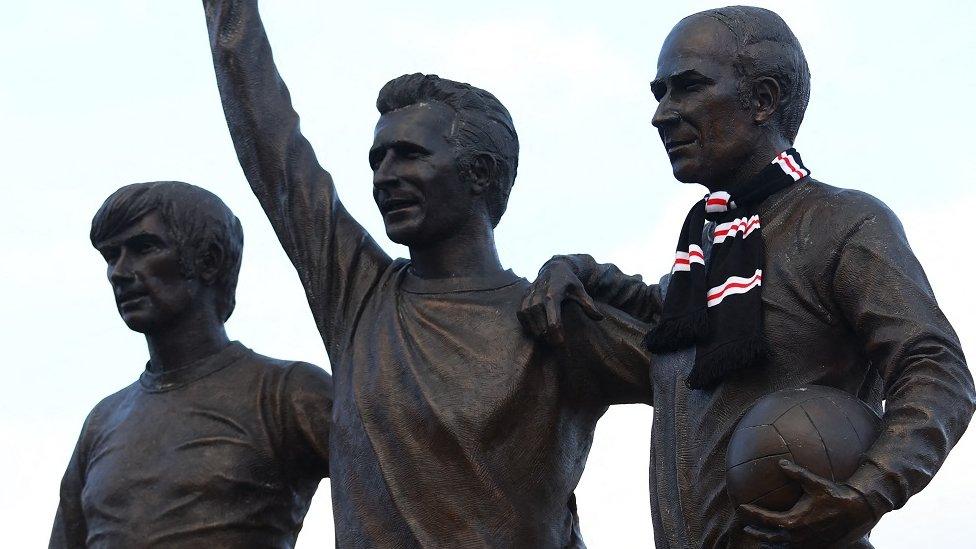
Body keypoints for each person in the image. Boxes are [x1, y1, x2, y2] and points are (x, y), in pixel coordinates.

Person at [519, 6, 976, 548]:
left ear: (763, 100)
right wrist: (574, 268)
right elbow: (654, 307)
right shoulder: (705, 257)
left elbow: (936, 369)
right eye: (659, 93)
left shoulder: (844, 223)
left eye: (687, 88)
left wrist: (872, 488)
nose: (662, 114)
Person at [202, 1, 652, 547]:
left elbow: (707, 371)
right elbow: (270, 139)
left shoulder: (554, 317)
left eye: (408, 155)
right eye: (377, 160)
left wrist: (592, 273)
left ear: (480, 172)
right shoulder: (359, 295)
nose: (384, 176)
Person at [49, 181, 333, 548]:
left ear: (209, 259)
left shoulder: (287, 394)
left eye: (143, 248)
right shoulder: (103, 421)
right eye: (110, 255)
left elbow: (398, 502)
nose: (118, 272)